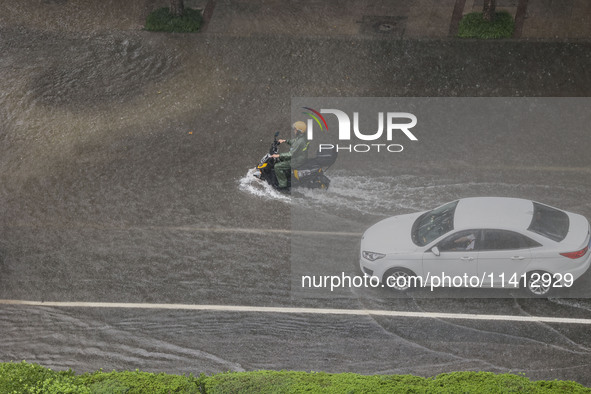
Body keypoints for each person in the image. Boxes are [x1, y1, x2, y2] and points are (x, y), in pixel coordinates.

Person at [271, 121, 310, 190]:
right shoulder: (301, 137)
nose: (294, 130)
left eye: (295, 129)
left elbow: (290, 154)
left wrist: (279, 155)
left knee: (277, 166)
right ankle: (286, 176)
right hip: (299, 157)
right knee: (281, 160)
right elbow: (294, 142)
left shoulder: (301, 141)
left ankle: (282, 185)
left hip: (297, 160)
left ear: (299, 131)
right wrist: (285, 141)